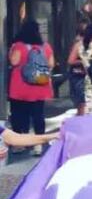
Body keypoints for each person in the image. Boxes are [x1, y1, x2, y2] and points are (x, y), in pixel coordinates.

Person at [8, 19, 54, 155]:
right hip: (40, 88)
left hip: (20, 88)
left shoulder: (19, 46)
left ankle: (20, 144)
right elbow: (51, 64)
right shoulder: (45, 46)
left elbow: (14, 61)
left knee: (20, 115)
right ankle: (38, 145)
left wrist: (11, 52)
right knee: (38, 116)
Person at [66, 24, 89, 116]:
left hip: (83, 75)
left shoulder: (88, 43)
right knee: (81, 104)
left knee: (82, 104)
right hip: (78, 75)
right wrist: (83, 61)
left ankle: (80, 119)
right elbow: (71, 60)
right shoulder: (78, 43)